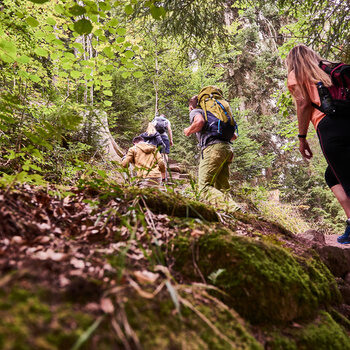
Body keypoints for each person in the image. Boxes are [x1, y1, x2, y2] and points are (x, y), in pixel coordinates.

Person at [286, 44, 350, 244]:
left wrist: (302, 137)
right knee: (332, 175)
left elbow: (304, 104)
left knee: (345, 178)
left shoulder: (296, 74)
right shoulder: (328, 68)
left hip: (329, 127)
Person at [183, 95, 238, 211]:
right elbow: (234, 136)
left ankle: (234, 209)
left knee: (203, 187)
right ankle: (234, 215)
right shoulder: (216, 114)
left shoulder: (196, 111)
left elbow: (199, 122)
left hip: (213, 149)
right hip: (227, 149)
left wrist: (188, 130)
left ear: (191, 107)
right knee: (222, 187)